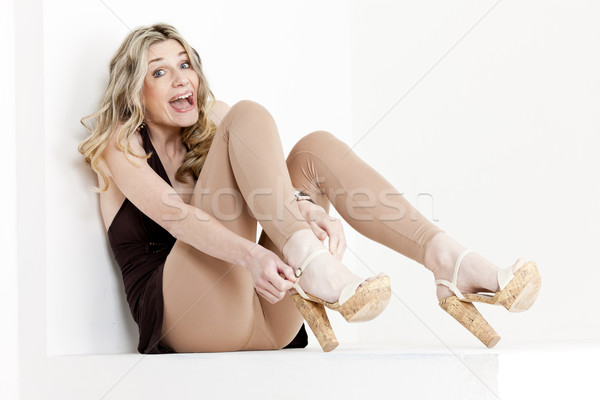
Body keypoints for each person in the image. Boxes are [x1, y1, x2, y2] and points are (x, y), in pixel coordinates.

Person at [78, 23, 541, 353]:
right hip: (191, 320)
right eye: (159, 72)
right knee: (248, 115)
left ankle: (446, 259)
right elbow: (177, 217)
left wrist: (303, 208)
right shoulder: (118, 144)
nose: (182, 79)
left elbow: (268, 182)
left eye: (185, 64)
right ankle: (310, 262)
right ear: (134, 92)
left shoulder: (212, 118)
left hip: (270, 317)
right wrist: (257, 255)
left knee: (311, 153)